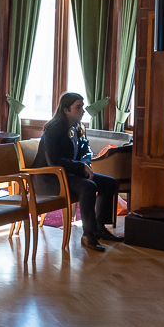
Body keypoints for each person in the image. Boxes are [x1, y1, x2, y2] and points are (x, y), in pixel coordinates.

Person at [33, 93, 121, 252]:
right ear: (66, 110)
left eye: (82, 106)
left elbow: (86, 149)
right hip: (49, 178)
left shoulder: (77, 127)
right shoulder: (53, 129)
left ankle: (99, 228)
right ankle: (88, 235)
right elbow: (54, 161)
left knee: (109, 183)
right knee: (88, 186)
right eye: (78, 107)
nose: (83, 111)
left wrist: (85, 162)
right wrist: (80, 167)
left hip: (68, 173)